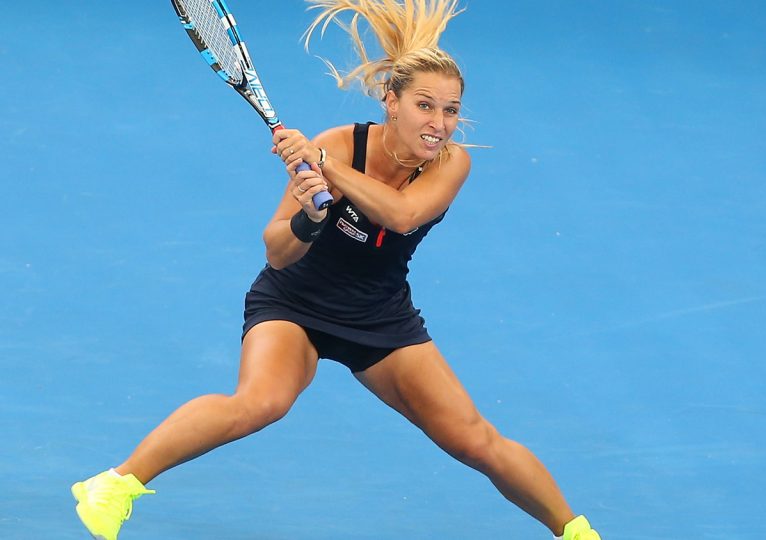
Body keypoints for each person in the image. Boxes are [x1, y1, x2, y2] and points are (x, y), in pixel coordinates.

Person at [71, 1, 601, 539]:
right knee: (261, 402)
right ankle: (114, 483)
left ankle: (577, 532)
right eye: (425, 105)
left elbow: (402, 215)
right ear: (390, 102)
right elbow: (277, 252)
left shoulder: (448, 162)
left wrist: (325, 169)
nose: (439, 124)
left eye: (450, 109)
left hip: (378, 314)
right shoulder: (338, 143)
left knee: (473, 439)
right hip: (294, 304)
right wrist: (310, 219)